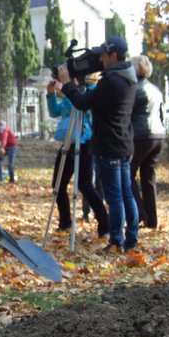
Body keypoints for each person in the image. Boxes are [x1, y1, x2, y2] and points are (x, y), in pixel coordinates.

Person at [56, 36, 139, 253]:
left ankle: (116, 241)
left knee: (116, 198)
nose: (99, 59)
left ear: (113, 56)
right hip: (123, 144)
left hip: (109, 146)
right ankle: (130, 239)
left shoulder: (111, 81)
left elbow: (83, 103)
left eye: (103, 54)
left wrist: (66, 85)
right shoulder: (128, 78)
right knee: (127, 194)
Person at [46, 79, 109, 237]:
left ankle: (105, 224)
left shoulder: (90, 89)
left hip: (84, 141)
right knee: (58, 185)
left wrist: (67, 91)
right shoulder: (70, 92)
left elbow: (79, 105)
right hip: (68, 141)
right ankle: (65, 222)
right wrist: (51, 94)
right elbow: (55, 111)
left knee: (85, 185)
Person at [130, 56, 165, 229]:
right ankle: (152, 219)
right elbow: (161, 114)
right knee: (148, 178)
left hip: (141, 135)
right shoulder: (156, 90)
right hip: (158, 135)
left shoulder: (134, 89)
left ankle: (141, 213)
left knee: (127, 175)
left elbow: (128, 113)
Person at [0, 114, 19, 183]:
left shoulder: (3, 127)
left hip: (12, 147)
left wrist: (2, 147)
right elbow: (0, 137)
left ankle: (12, 180)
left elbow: (4, 138)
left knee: (10, 164)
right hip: (5, 147)